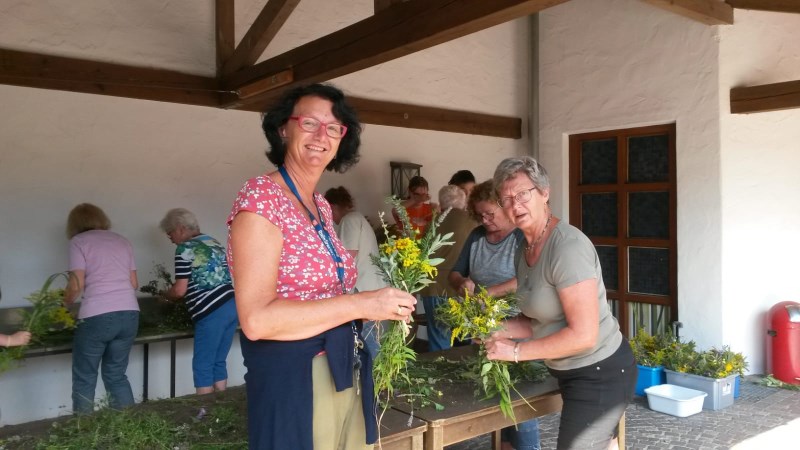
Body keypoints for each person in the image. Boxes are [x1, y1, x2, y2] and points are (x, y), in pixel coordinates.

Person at [227, 83, 416, 450]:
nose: (321, 136)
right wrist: (363, 304)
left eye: (333, 127)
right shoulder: (262, 199)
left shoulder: (320, 205)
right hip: (294, 376)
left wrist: (380, 309)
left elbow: (327, 294)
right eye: (310, 122)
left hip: (340, 363)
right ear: (284, 128)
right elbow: (257, 320)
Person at [485, 157, 637, 450]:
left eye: (522, 194)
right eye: (506, 199)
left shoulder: (567, 248)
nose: (515, 205)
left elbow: (583, 335)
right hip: (570, 371)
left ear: (544, 193)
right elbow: (541, 322)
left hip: (600, 371)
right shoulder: (524, 247)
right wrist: (496, 329)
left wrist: (515, 351)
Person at [449, 180, 540, 450]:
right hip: (482, 327)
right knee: (495, 395)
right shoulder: (477, 236)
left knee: (521, 401)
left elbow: (526, 277)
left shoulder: (521, 237)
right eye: (481, 215)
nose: (486, 220)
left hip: (518, 327)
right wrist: (461, 284)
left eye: (491, 213)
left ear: (506, 207)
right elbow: (455, 272)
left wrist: (488, 293)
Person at [63, 203, 139, 415]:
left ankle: (85, 433)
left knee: (85, 376)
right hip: (130, 313)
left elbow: (75, 286)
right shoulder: (122, 241)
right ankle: (129, 430)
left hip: (97, 316)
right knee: (116, 374)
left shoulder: (79, 242)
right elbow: (134, 283)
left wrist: (62, 305)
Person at [159, 208, 239, 395]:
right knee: (218, 360)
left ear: (180, 228)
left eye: (170, 232)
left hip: (211, 311)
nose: (169, 237)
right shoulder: (214, 242)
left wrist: (164, 296)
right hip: (231, 305)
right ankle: (220, 409)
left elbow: (180, 290)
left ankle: (205, 415)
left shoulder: (185, 248)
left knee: (203, 364)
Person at [324, 186, 389, 359]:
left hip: (363, 289)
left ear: (332, 206)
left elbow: (347, 259)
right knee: (375, 342)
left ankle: (375, 384)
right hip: (373, 287)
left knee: (369, 343)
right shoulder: (358, 218)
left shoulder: (349, 220)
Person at [419, 185, 477, 351]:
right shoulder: (473, 222)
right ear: (463, 201)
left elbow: (422, 254)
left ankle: (439, 374)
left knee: (439, 339)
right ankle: (464, 373)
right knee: (467, 335)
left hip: (434, 287)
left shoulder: (433, 223)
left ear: (441, 202)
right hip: (463, 287)